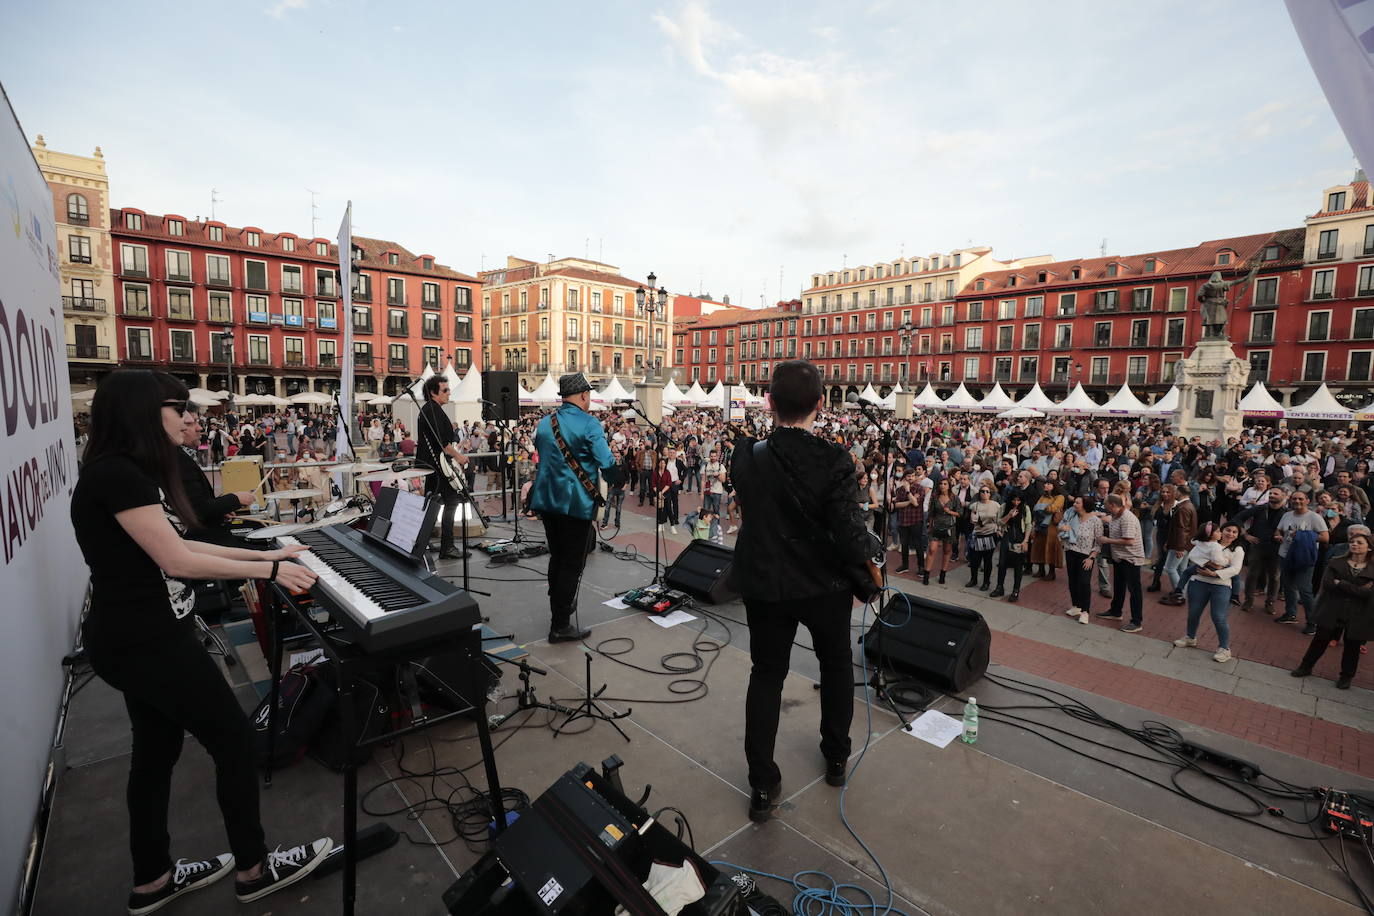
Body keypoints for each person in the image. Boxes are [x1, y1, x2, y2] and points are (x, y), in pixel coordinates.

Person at [72, 370, 331, 913]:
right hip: (147, 643)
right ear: (144, 412)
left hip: (139, 639)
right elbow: (178, 560)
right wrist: (268, 572)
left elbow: (184, 542)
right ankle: (255, 870)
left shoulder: (129, 473)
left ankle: (153, 880)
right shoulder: (117, 475)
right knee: (234, 743)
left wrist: (269, 556)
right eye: (178, 406)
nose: (189, 416)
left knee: (156, 753)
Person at [727, 360, 872, 822]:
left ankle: (763, 785)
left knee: (766, 674)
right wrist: (870, 550)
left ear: (769, 403)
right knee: (834, 665)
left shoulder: (745, 454)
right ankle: (835, 757)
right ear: (821, 404)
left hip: (766, 581)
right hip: (823, 585)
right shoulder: (834, 459)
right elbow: (850, 537)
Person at [530, 374, 616, 642]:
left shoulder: (545, 423)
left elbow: (543, 453)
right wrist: (617, 477)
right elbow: (607, 462)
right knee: (571, 564)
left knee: (557, 557)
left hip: (546, 501)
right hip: (574, 503)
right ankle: (560, 624)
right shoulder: (590, 424)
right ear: (582, 395)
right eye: (588, 395)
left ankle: (560, 605)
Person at [1291, 532, 1374, 689]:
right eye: (1352, 542)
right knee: (1320, 639)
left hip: (1358, 612)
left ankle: (1346, 676)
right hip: (1333, 606)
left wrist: (1341, 584)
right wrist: (1357, 589)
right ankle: (1306, 666)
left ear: (1369, 548)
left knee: (1352, 645)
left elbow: (1369, 593)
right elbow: (1328, 584)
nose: (1354, 544)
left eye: (1359, 542)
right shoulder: (1337, 562)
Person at [1173, 523, 1246, 663]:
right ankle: (1190, 637)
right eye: (1228, 530)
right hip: (1199, 582)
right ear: (1221, 531)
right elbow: (1195, 557)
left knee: (1219, 617)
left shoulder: (1237, 550)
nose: (1230, 534)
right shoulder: (1208, 542)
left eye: (1235, 532)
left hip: (1221, 585)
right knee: (1193, 613)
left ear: (1238, 535)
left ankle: (1224, 648)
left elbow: (1235, 569)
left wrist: (1215, 573)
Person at [414, 376, 469, 560]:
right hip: (438, 466)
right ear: (433, 392)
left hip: (432, 465)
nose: (449, 393)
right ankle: (447, 546)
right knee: (451, 502)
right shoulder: (433, 410)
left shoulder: (429, 410)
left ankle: (422, 543)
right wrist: (459, 456)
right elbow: (442, 443)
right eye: (444, 390)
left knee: (433, 504)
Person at [1274, 490, 1329, 633]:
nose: (1297, 501)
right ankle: (1290, 613)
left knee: (1305, 590)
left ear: (1307, 501)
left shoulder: (1314, 517)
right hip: (1285, 554)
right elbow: (1278, 530)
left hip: (1304, 557)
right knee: (1288, 586)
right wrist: (1278, 536)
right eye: (1294, 499)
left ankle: (1312, 622)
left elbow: (1325, 537)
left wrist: (1302, 536)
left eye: (1300, 499)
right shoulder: (1287, 515)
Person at [1097, 493, 1148, 633]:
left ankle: (1136, 621)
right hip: (1119, 557)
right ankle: (1115, 611)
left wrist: (1108, 541)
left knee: (1134, 590)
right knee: (1119, 585)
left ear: (1113, 505)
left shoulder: (1127, 518)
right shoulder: (1115, 515)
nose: (1104, 506)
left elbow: (1129, 540)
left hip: (1131, 559)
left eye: (1106, 504)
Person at [1060, 495, 1103, 623]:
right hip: (1070, 551)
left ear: (1084, 505)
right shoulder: (1072, 516)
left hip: (1086, 555)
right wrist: (1063, 528)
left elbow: (1099, 542)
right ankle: (1076, 606)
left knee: (1084, 582)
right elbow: (1061, 525)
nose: (1074, 504)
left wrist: (1092, 557)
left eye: (1077, 503)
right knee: (1072, 580)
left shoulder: (1095, 521)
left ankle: (1085, 611)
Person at [989, 492, 1031, 601]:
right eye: (1014, 500)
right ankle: (999, 587)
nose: (1016, 503)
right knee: (1002, 563)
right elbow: (999, 522)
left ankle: (1015, 590)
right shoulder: (1004, 507)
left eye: (1018, 500)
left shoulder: (1025, 509)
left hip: (1019, 537)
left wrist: (1026, 541)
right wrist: (1009, 515)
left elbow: (1028, 525)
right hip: (1007, 536)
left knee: (1018, 566)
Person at [924, 477, 961, 586]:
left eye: (945, 484)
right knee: (932, 549)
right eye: (941, 484)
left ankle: (943, 574)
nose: (942, 486)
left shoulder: (954, 498)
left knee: (947, 550)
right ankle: (926, 574)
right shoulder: (935, 497)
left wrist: (950, 512)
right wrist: (930, 527)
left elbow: (960, 513)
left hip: (949, 527)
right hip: (936, 526)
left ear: (949, 486)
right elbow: (931, 514)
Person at [965, 485, 1001, 591]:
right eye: (982, 491)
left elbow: (999, 520)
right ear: (979, 493)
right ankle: (973, 579)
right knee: (975, 560)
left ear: (990, 494)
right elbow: (973, 520)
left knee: (987, 560)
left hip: (990, 534)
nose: (985, 493)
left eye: (987, 491)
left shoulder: (996, 505)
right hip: (977, 534)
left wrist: (998, 529)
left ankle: (986, 582)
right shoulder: (975, 505)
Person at [1030, 479, 1066, 581]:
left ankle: (1051, 572)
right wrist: (1044, 509)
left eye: (1048, 484)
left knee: (1050, 548)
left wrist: (1042, 509)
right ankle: (1041, 570)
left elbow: (1053, 508)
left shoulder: (1060, 497)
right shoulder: (1042, 496)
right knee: (1039, 547)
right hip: (1040, 524)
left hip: (1051, 526)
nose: (1045, 485)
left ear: (1054, 486)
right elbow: (1035, 508)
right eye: (1045, 483)